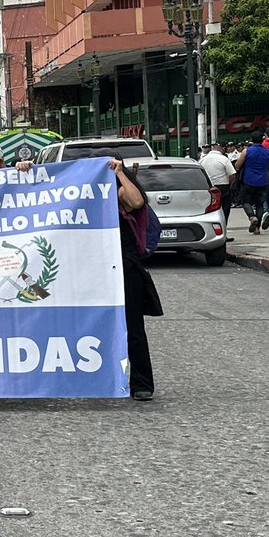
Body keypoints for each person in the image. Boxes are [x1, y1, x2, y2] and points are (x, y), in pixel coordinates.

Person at [107, 155, 162, 400]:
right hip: (95, 265)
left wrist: (119, 173)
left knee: (133, 326)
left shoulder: (120, 194)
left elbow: (137, 201)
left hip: (125, 265)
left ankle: (141, 383)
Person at [234, 131, 269, 233]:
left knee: (245, 201)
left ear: (252, 139)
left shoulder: (246, 151)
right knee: (259, 204)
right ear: (263, 139)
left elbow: (237, 165)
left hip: (248, 180)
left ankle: (251, 217)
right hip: (263, 180)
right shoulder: (268, 152)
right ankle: (257, 228)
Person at [200, 142, 237, 229]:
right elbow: (232, 175)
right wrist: (230, 185)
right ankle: (223, 230)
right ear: (222, 148)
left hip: (207, 188)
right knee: (224, 210)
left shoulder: (202, 160)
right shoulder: (224, 159)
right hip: (223, 187)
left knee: (209, 211)